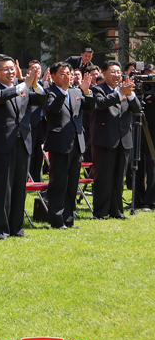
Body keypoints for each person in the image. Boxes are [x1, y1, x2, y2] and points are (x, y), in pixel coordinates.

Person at [0, 55, 47, 239]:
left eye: (12, 68)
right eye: (5, 69)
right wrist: (23, 84)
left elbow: (43, 99)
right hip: (3, 144)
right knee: (3, 187)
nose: (10, 72)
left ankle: (17, 228)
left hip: (23, 142)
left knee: (20, 187)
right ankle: (1, 229)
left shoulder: (24, 89)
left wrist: (35, 84)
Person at [43, 62, 95, 229]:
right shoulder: (48, 92)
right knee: (58, 183)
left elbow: (91, 106)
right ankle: (56, 220)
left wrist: (87, 91)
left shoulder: (76, 91)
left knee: (72, 183)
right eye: (62, 74)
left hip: (76, 142)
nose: (67, 76)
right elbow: (53, 109)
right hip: (59, 143)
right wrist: (63, 90)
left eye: (69, 73)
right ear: (53, 76)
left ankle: (68, 219)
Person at [90, 61, 141, 220]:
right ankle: (100, 212)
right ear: (103, 74)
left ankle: (117, 211)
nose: (116, 75)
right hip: (105, 140)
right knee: (103, 178)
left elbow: (137, 109)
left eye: (118, 72)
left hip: (123, 139)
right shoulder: (97, 89)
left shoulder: (126, 90)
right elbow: (101, 104)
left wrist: (130, 94)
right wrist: (120, 93)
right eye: (112, 72)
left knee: (119, 179)